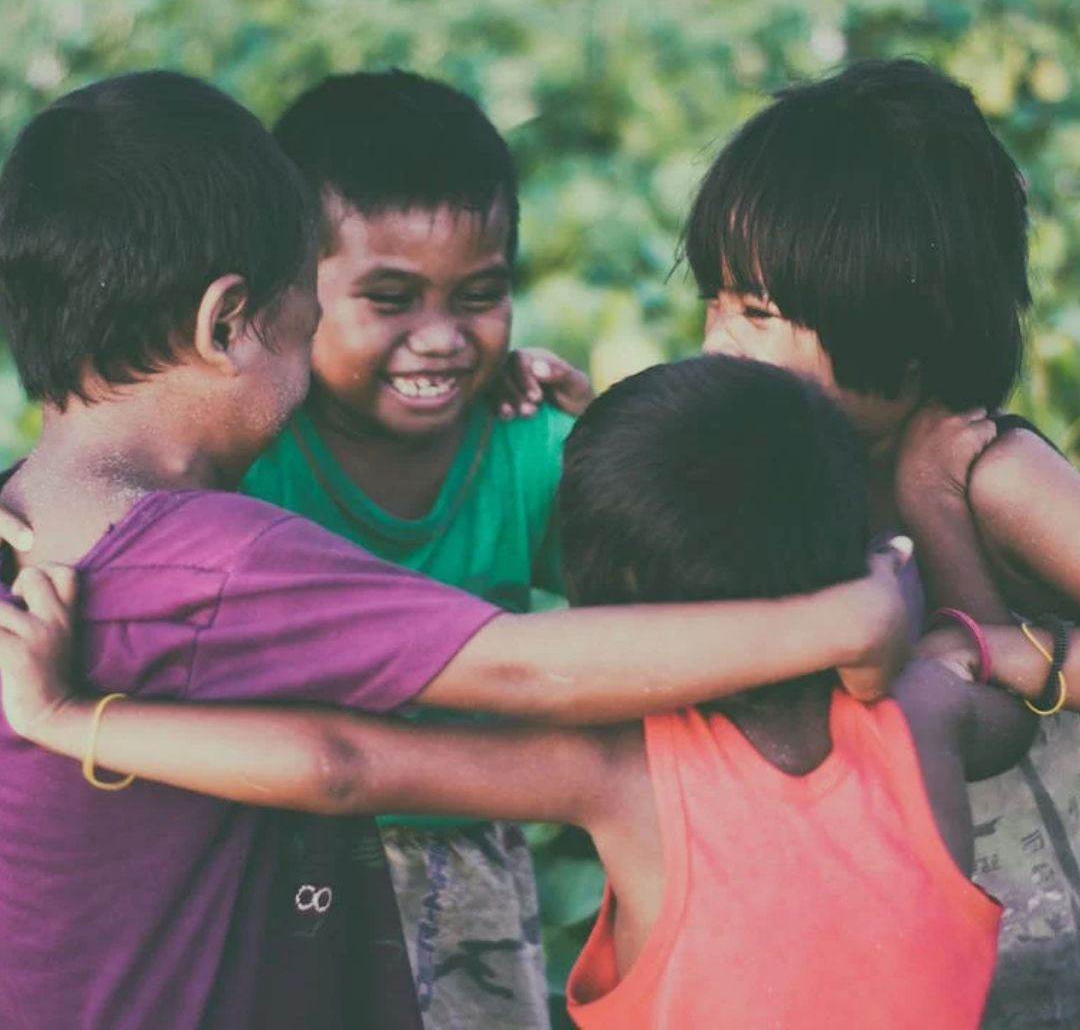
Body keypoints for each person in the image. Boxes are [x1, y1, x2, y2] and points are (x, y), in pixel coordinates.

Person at [0, 71, 910, 1030]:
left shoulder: (28, 514)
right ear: (226, 324)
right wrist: (839, 619)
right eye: (307, 316)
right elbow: (518, 670)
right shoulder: (216, 559)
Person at [0, 355, 1035, 1029]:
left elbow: (338, 763)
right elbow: (1000, 690)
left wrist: (63, 717)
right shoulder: (928, 709)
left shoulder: (619, 772)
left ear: (603, 601)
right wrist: (922, 551)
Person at [684, 57, 1080, 1027]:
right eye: (717, 299)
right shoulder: (783, 470)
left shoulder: (998, 474)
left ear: (907, 351)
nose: (717, 342)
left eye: (760, 314)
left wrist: (1009, 642)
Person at [254, 70, 585, 1027]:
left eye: (479, 296)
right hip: (276, 849)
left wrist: (614, 431)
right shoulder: (249, 454)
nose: (440, 339)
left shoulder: (535, 449)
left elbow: (673, 581)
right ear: (287, 289)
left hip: (470, 860)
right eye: (391, 299)